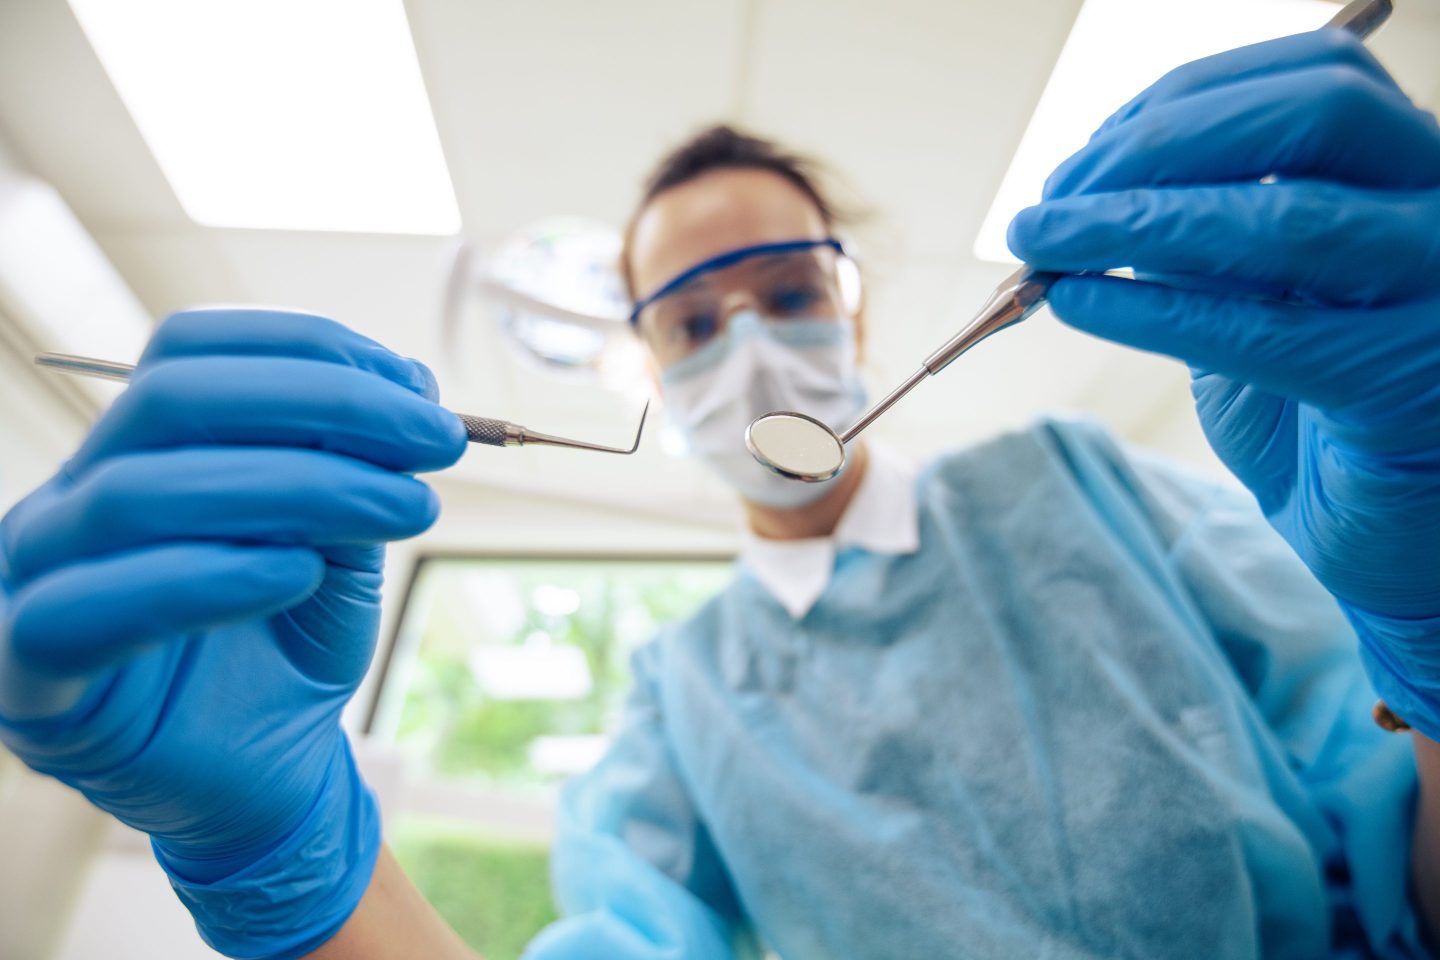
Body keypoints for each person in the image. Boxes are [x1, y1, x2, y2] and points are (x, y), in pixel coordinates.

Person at [1, 26, 1437, 960]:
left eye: (789, 293)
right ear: (649, 362)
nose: (749, 346)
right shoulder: (681, 710)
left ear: (856, 318)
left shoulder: (1083, 485)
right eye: (692, 319)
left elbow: (1410, 871)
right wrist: (292, 867)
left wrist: (1436, 634)